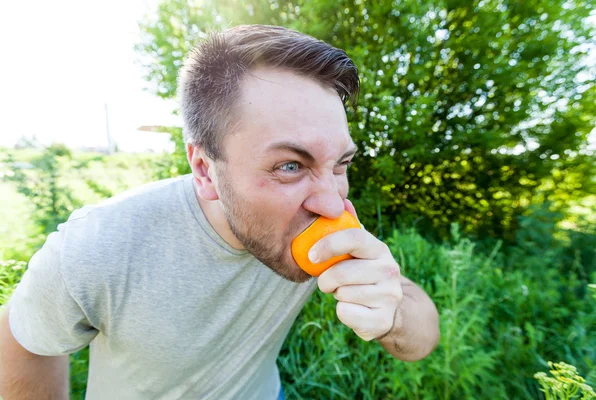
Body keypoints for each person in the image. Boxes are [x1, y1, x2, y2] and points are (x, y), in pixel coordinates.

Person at [0, 25, 440, 400]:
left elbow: (421, 337)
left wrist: (393, 313)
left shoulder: (321, 215)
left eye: (340, 164)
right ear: (205, 169)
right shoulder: (99, 245)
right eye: (290, 166)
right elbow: (23, 338)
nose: (332, 202)